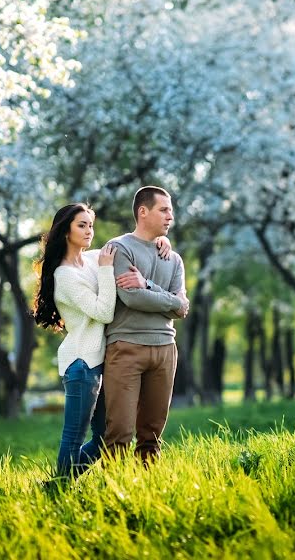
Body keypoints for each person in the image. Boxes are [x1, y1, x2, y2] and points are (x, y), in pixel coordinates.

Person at [32, 203, 170, 477]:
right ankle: (59, 489)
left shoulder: (94, 259)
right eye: (81, 225)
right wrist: (107, 271)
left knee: (106, 437)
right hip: (82, 365)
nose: (89, 231)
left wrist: (160, 240)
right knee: (73, 437)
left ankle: (57, 485)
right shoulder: (65, 276)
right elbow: (104, 312)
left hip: (102, 363)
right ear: (65, 231)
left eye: (90, 225)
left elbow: (133, 243)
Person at [103, 186, 190, 464]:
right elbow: (131, 297)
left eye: (171, 212)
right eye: (164, 210)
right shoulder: (119, 248)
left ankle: (147, 493)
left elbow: (183, 307)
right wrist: (169, 300)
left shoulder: (174, 258)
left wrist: (148, 285)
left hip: (165, 350)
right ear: (143, 211)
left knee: (152, 436)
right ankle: (110, 497)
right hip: (126, 348)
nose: (170, 217)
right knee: (120, 433)